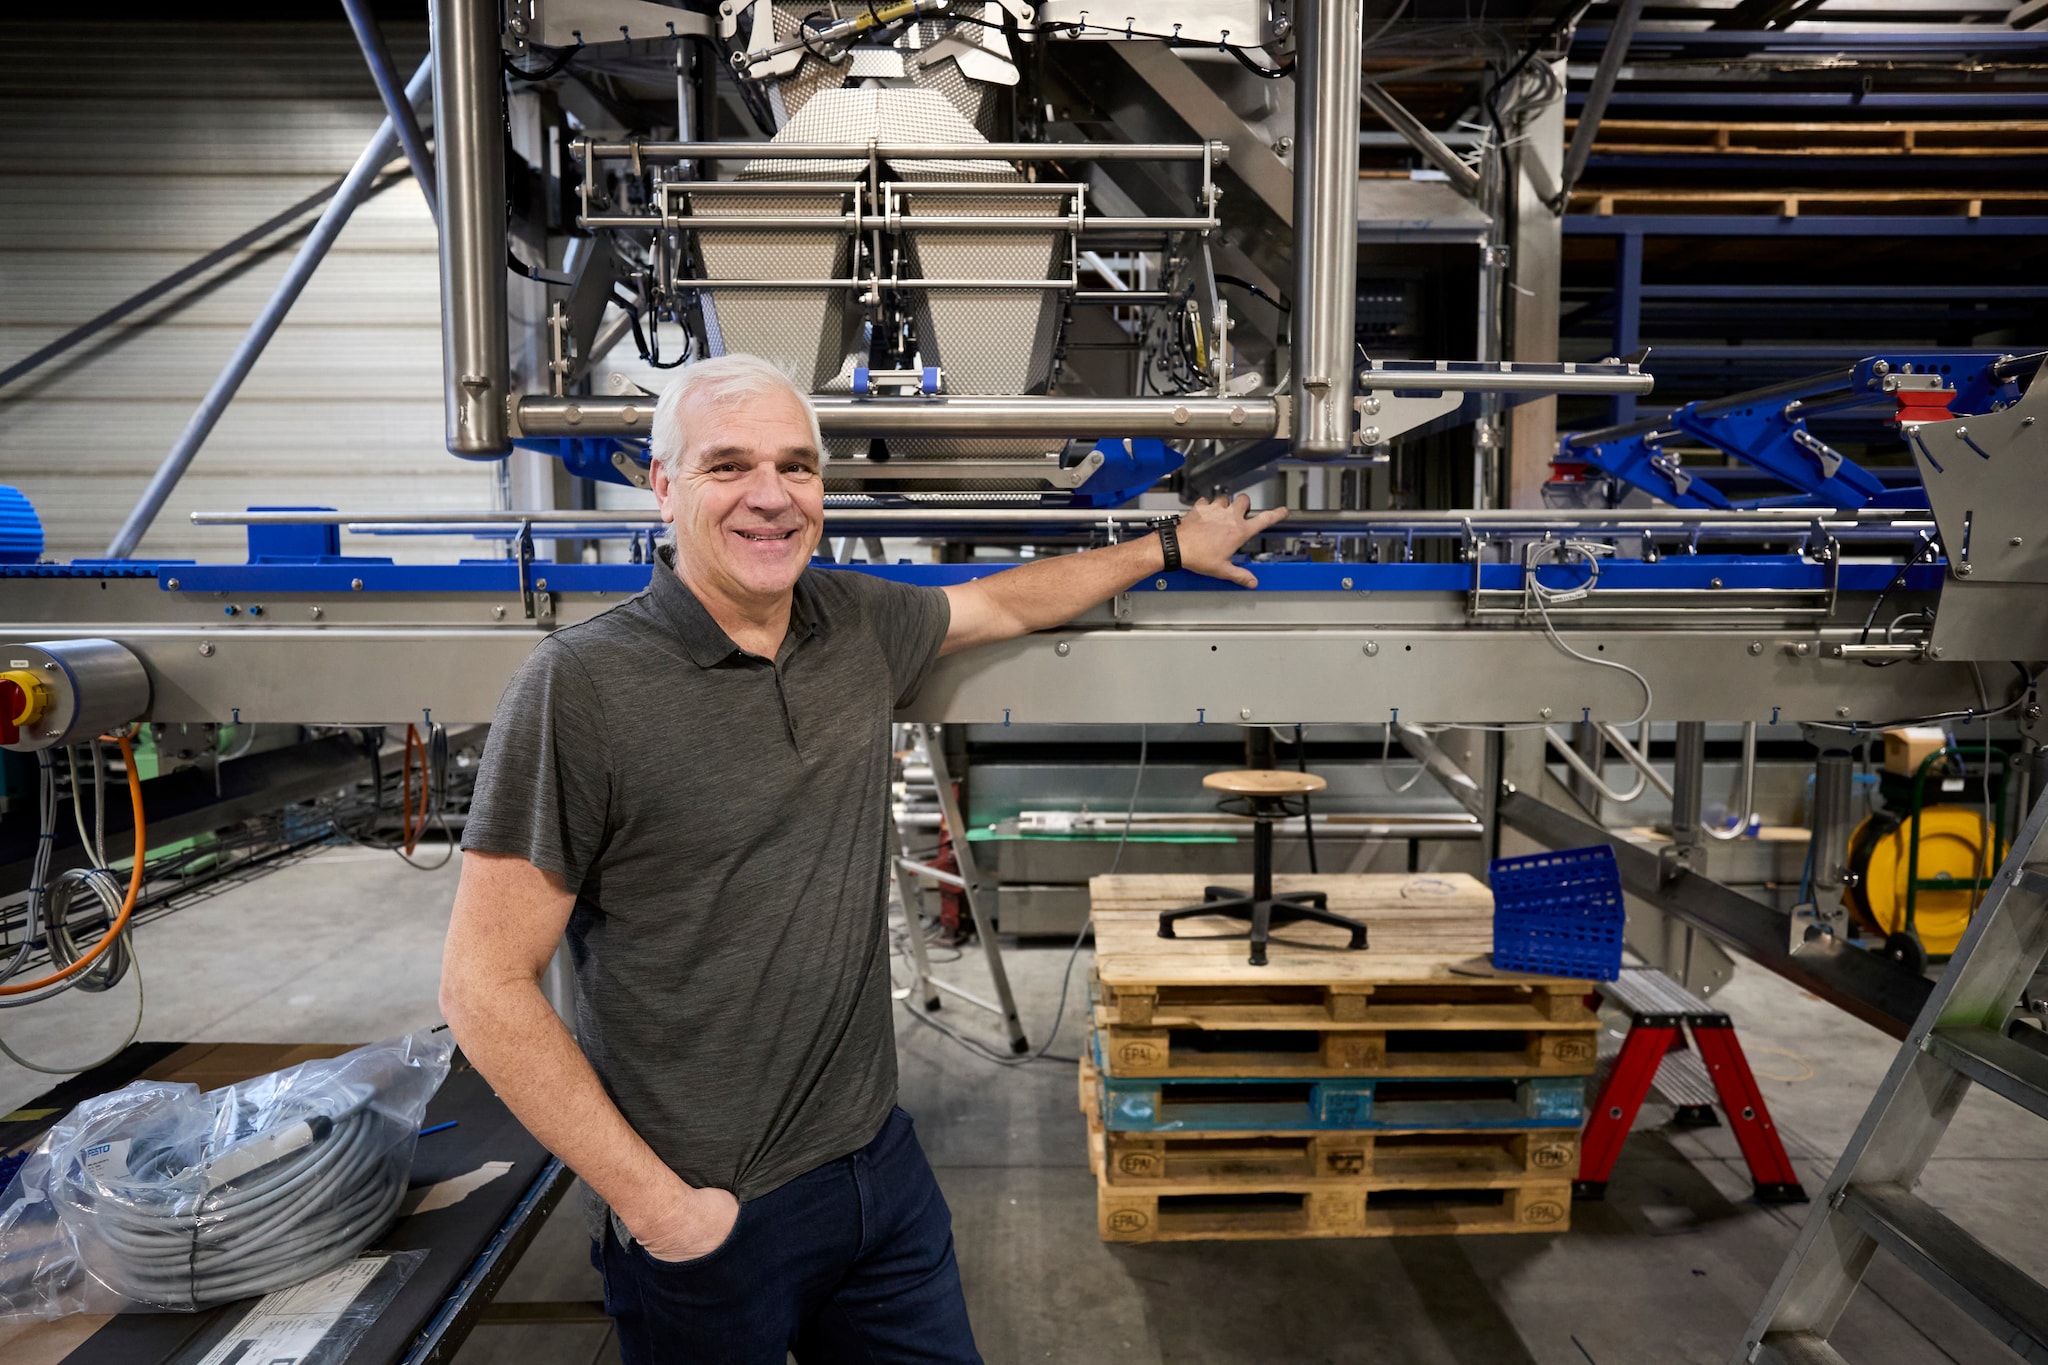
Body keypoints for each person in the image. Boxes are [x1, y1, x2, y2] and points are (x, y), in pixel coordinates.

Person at [440, 354, 1288, 1363]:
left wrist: (1163, 542)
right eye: (727, 467)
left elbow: (1004, 604)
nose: (771, 496)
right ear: (662, 487)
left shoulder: (850, 625)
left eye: (796, 467)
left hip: (875, 1173)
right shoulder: (578, 688)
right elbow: (483, 987)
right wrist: (661, 1211)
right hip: (709, 1209)